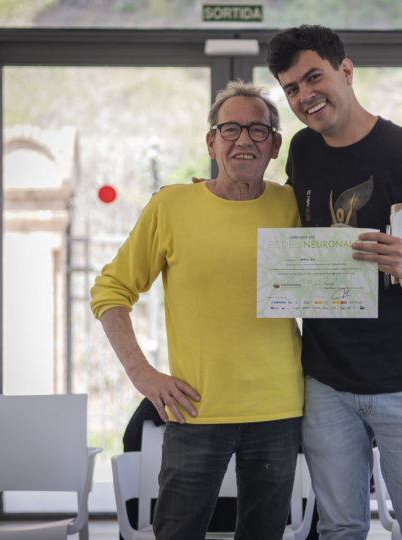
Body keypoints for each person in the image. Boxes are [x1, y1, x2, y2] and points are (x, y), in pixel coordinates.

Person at [267, 25, 402, 539]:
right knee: (339, 527)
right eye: (291, 89)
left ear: (346, 71)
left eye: (314, 78)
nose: (305, 96)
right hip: (325, 380)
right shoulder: (303, 153)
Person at [89, 81, 304, 539]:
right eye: (230, 129)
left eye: (257, 130)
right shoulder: (172, 206)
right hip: (195, 411)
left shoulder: (294, 206)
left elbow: (344, 281)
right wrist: (143, 376)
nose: (243, 140)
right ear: (211, 141)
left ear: (275, 145)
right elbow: (110, 292)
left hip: (281, 410)